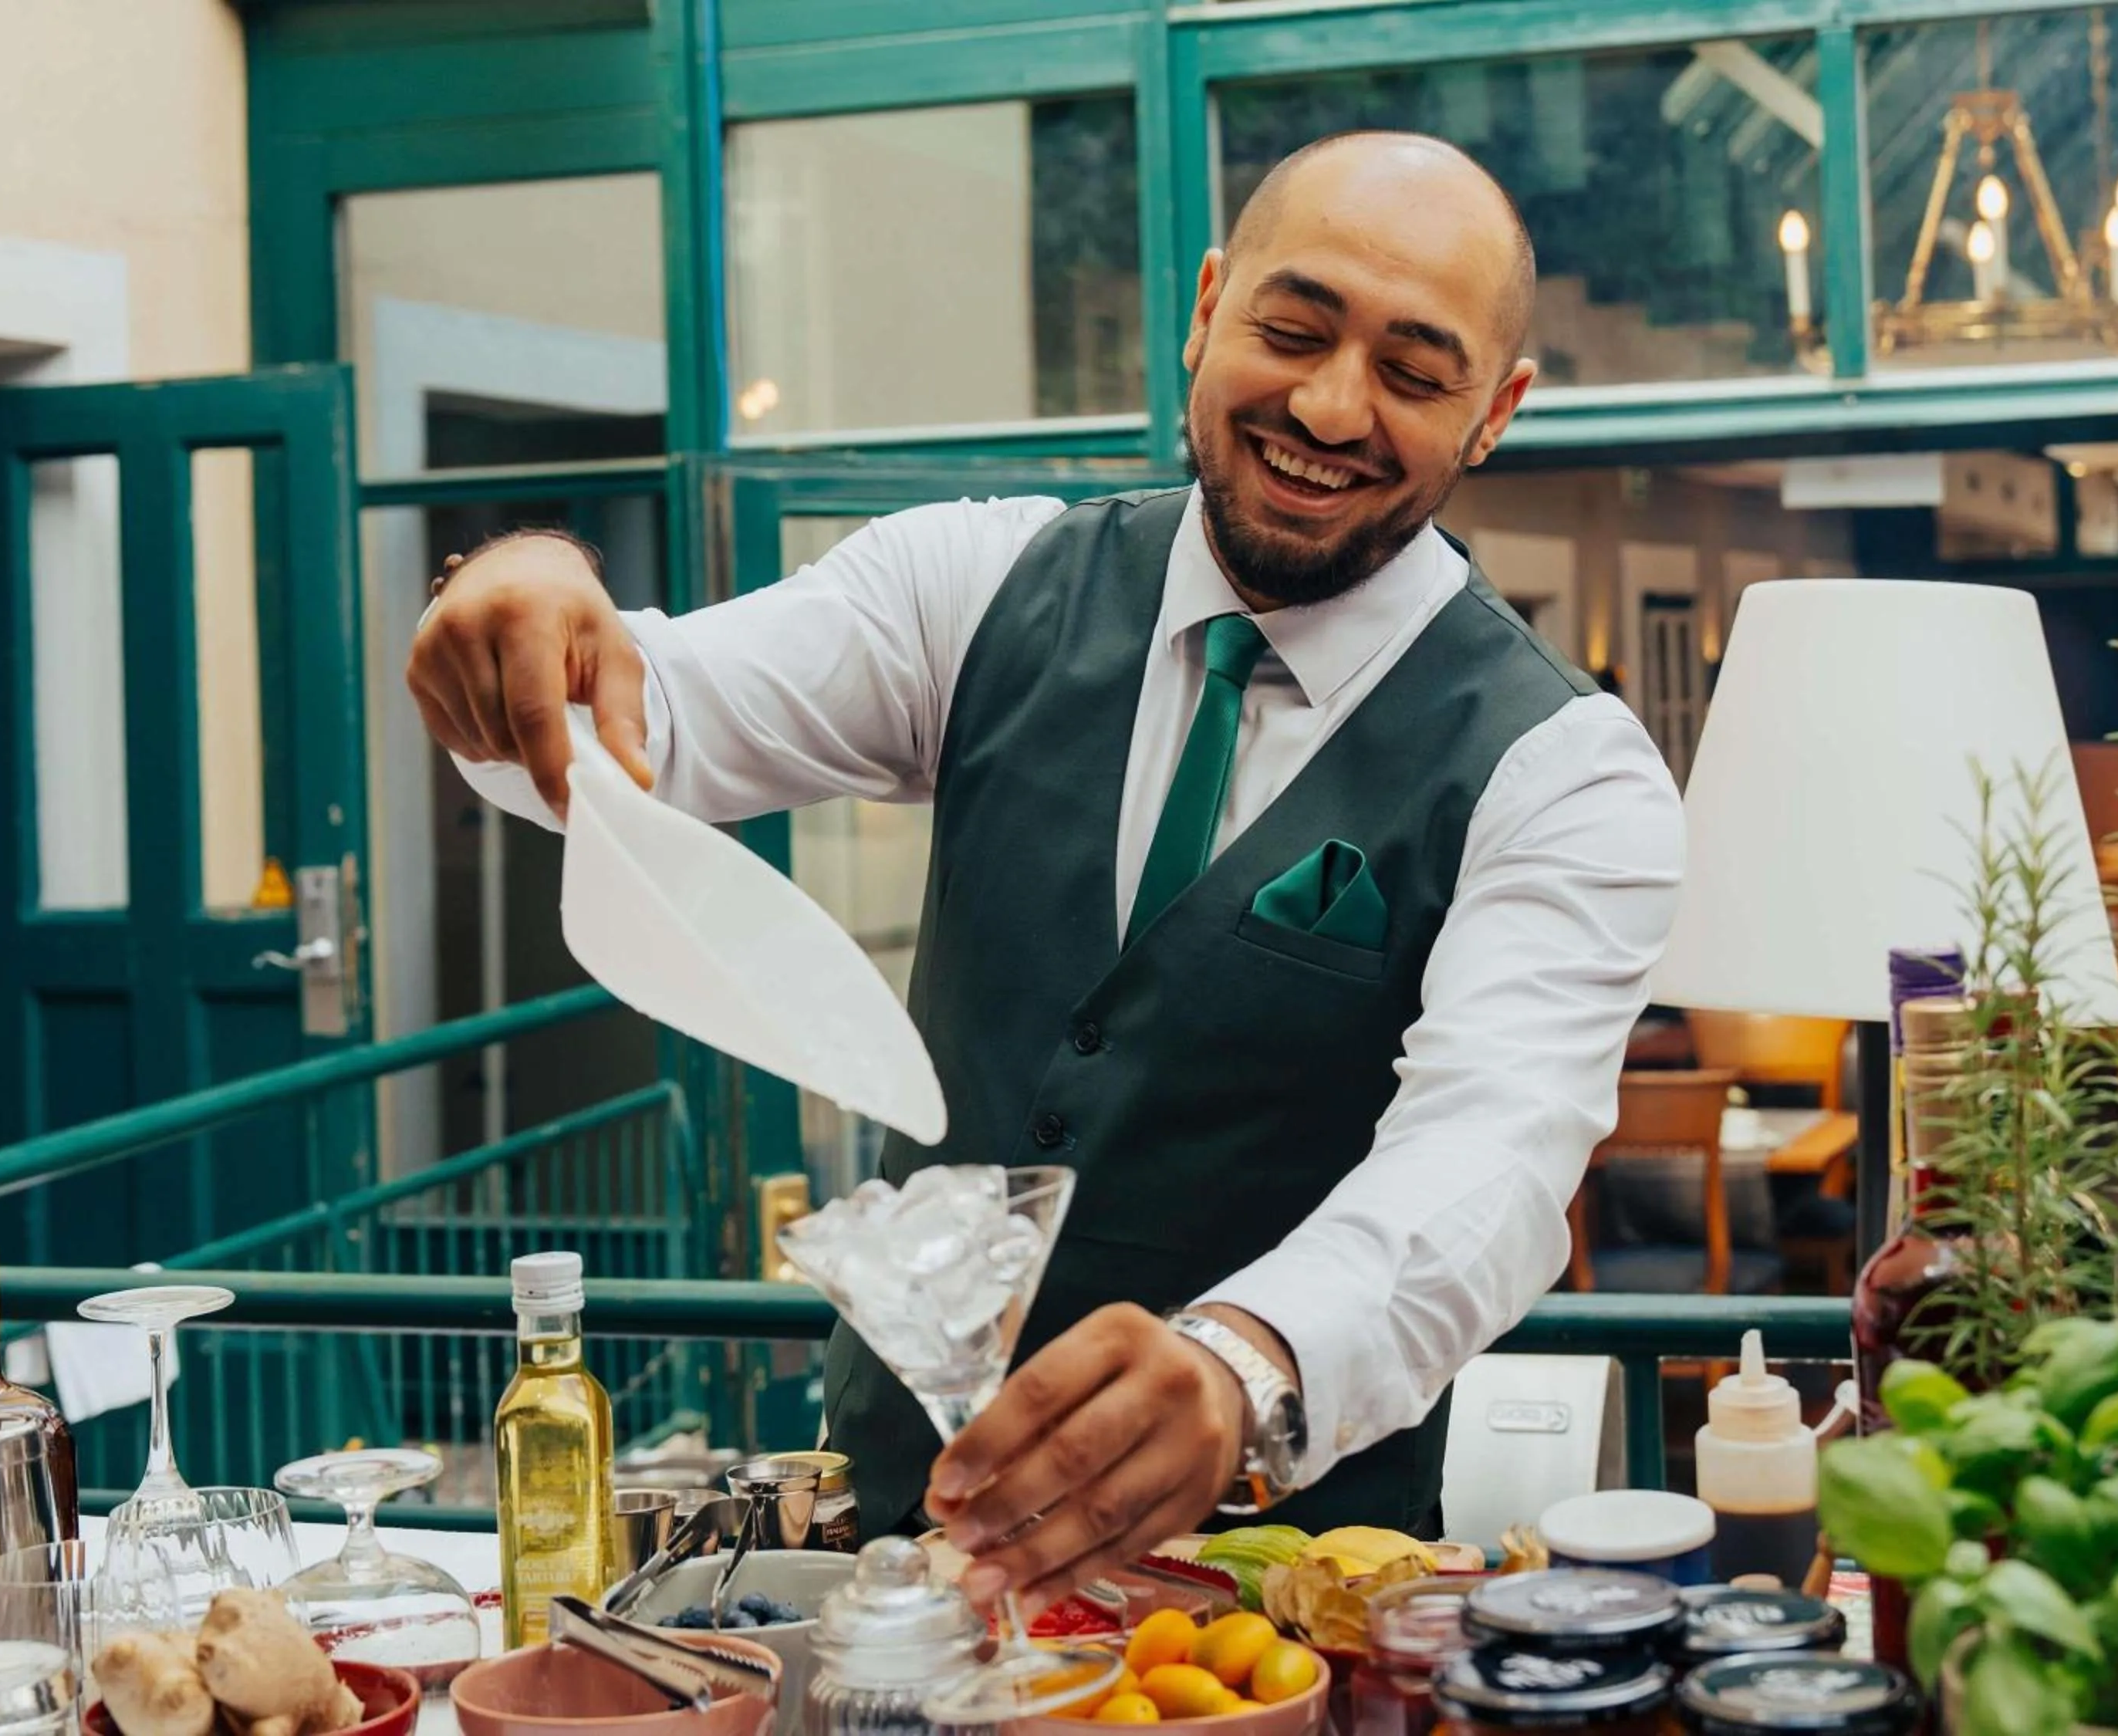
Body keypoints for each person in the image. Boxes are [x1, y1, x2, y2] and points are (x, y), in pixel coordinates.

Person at [410, 130, 1684, 1615]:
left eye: (1415, 371)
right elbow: (637, 727)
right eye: (1291, 329)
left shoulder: (1565, 769)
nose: (1332, 406)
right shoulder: (978, 585)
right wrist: (524, 606)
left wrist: (1242, 1363)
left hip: (1271, 1605)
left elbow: (1494, 1164)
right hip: (903, 1553)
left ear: (1496, 413)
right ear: (1206, 310)